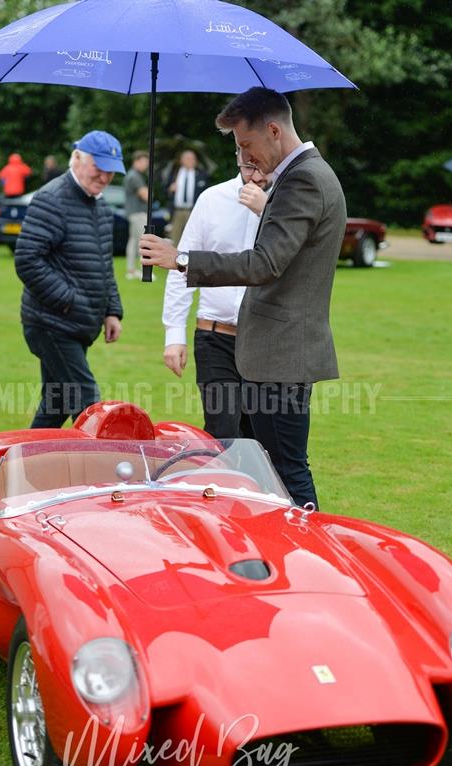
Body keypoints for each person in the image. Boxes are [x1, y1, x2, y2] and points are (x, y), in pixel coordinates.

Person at [140, 87, 347, 509]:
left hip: (281, 355)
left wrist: (179, 259)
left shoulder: (303, 179)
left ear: (273, 130)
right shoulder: (301, 176)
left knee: (285, 472)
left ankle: (311, 563)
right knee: (260, 470)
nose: (246, 157)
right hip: (272, 352)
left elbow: (263, 264)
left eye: (247, 144)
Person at [15, 130, 125, 428]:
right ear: (76, 158)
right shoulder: (51, 199)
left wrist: (111, 310)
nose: (104, 177)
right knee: (89, 405)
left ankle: (22, 466)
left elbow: (103, 263)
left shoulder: (101, 206)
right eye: (98, 167)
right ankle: (108, 468)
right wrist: (68, 301)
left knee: (57, 404)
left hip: (78, 323)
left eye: (111, 172)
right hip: (51, 324)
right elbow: (27, 260)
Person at [162, 161, 272, 439]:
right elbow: (182, 265)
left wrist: (268, 210)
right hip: (215, 337)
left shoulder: (285, 205)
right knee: (223, 434)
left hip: (267, 342)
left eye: (262, 168)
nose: (255, 176)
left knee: (262, 438)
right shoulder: (212, 199)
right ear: (236, 157)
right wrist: (174, 334)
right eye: (249, 167)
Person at [165, 149, 209, 245]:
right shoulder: (174, 174)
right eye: (188, 158)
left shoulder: (201, 175)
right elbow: (165, 190)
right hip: (177, 211)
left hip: (193, 211)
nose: (191, 161)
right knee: (174, 238)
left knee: (192, 237)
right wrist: (170, 189)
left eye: (193, 159)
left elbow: (206, 193)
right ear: (182, 160)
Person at [123, 150, 149, 279]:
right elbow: (146, 196)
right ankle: (144, 271)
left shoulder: (132, 175)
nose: (146, 165)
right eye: (144, 162)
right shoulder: (135, 176)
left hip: (133, 213)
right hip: (138, 213)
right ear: (136, 161)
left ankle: (131, 270)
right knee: (143, 242)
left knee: (133, 242)